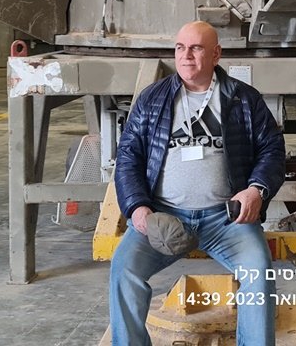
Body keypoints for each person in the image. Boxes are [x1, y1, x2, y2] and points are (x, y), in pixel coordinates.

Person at [110, 21, 286, 346]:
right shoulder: (152, 99)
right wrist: (137, 207)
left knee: (258, 273)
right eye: (180, 48)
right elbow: (128, 156)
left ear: (216, 54)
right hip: (164, 218)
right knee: (124, 270)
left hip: (227, 220)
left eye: (196, 48)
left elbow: (271, 149)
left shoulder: (243, 99)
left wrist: (256, 189)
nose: (186, 55)